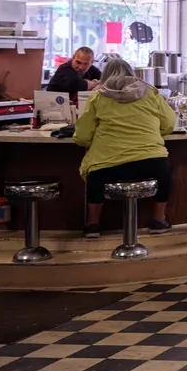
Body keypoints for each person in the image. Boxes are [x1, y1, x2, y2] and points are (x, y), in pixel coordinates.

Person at [73, 57, 175, 238]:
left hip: (108, 165)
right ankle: (158, 220)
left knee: (95, 173)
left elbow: (82, 136)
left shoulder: (98, 96)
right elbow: (168, 125)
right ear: (131, 73)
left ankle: (92, 224)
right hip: (152, 163)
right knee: (164, 169)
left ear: (104, 76)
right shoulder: (150, 92)